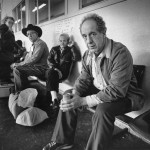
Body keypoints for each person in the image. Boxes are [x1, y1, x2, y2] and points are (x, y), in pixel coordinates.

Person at [42, 13, 145, 150]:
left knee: (103, 110)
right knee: (69, 95)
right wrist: (76, 92)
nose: (88, 40)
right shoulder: (88, 54)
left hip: (126, 96)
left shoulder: (120, 53)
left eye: (93, 34)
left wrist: (83, 101)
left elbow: (117, 90)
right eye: (84, 36)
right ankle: (63, 140)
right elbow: (84, 78)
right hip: (102, 91)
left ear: (103, 32)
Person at [11, 24, 49, 92]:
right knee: (16, 68)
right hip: (35, 67)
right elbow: (28, 58)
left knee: (17, 69)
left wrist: (19, 65)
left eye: (32, 33)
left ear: (37, 34)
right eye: (28, 34)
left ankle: (22, 91)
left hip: (42, 68)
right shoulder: (33, 45)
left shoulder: (40, 43)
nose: (29, 36)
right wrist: (18, 63)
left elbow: (34, 59)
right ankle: (24, 90)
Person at [45, 33, 77, 109]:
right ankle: (54, 99)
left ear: (68, 41)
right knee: (51, 73)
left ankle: (52, 99)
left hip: (63, 73)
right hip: (54, 70)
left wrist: (72, 47)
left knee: (50, 74)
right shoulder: (54, 49)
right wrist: (56, 69)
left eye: (64, 41)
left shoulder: (70, 50)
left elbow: (76, 58)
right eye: (60, 41)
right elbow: (49, 60)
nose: (62, 43)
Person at [0, 16, 16, 82]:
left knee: (6, 72)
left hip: (8, 54)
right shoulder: (3, 30)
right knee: (4, 73)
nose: (11, 24)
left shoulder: (10, 31)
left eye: (12, 23)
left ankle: (6, 80)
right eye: (9, 22)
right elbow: (3, 43)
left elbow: (12, 42)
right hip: (4, 55)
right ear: (5, 22)